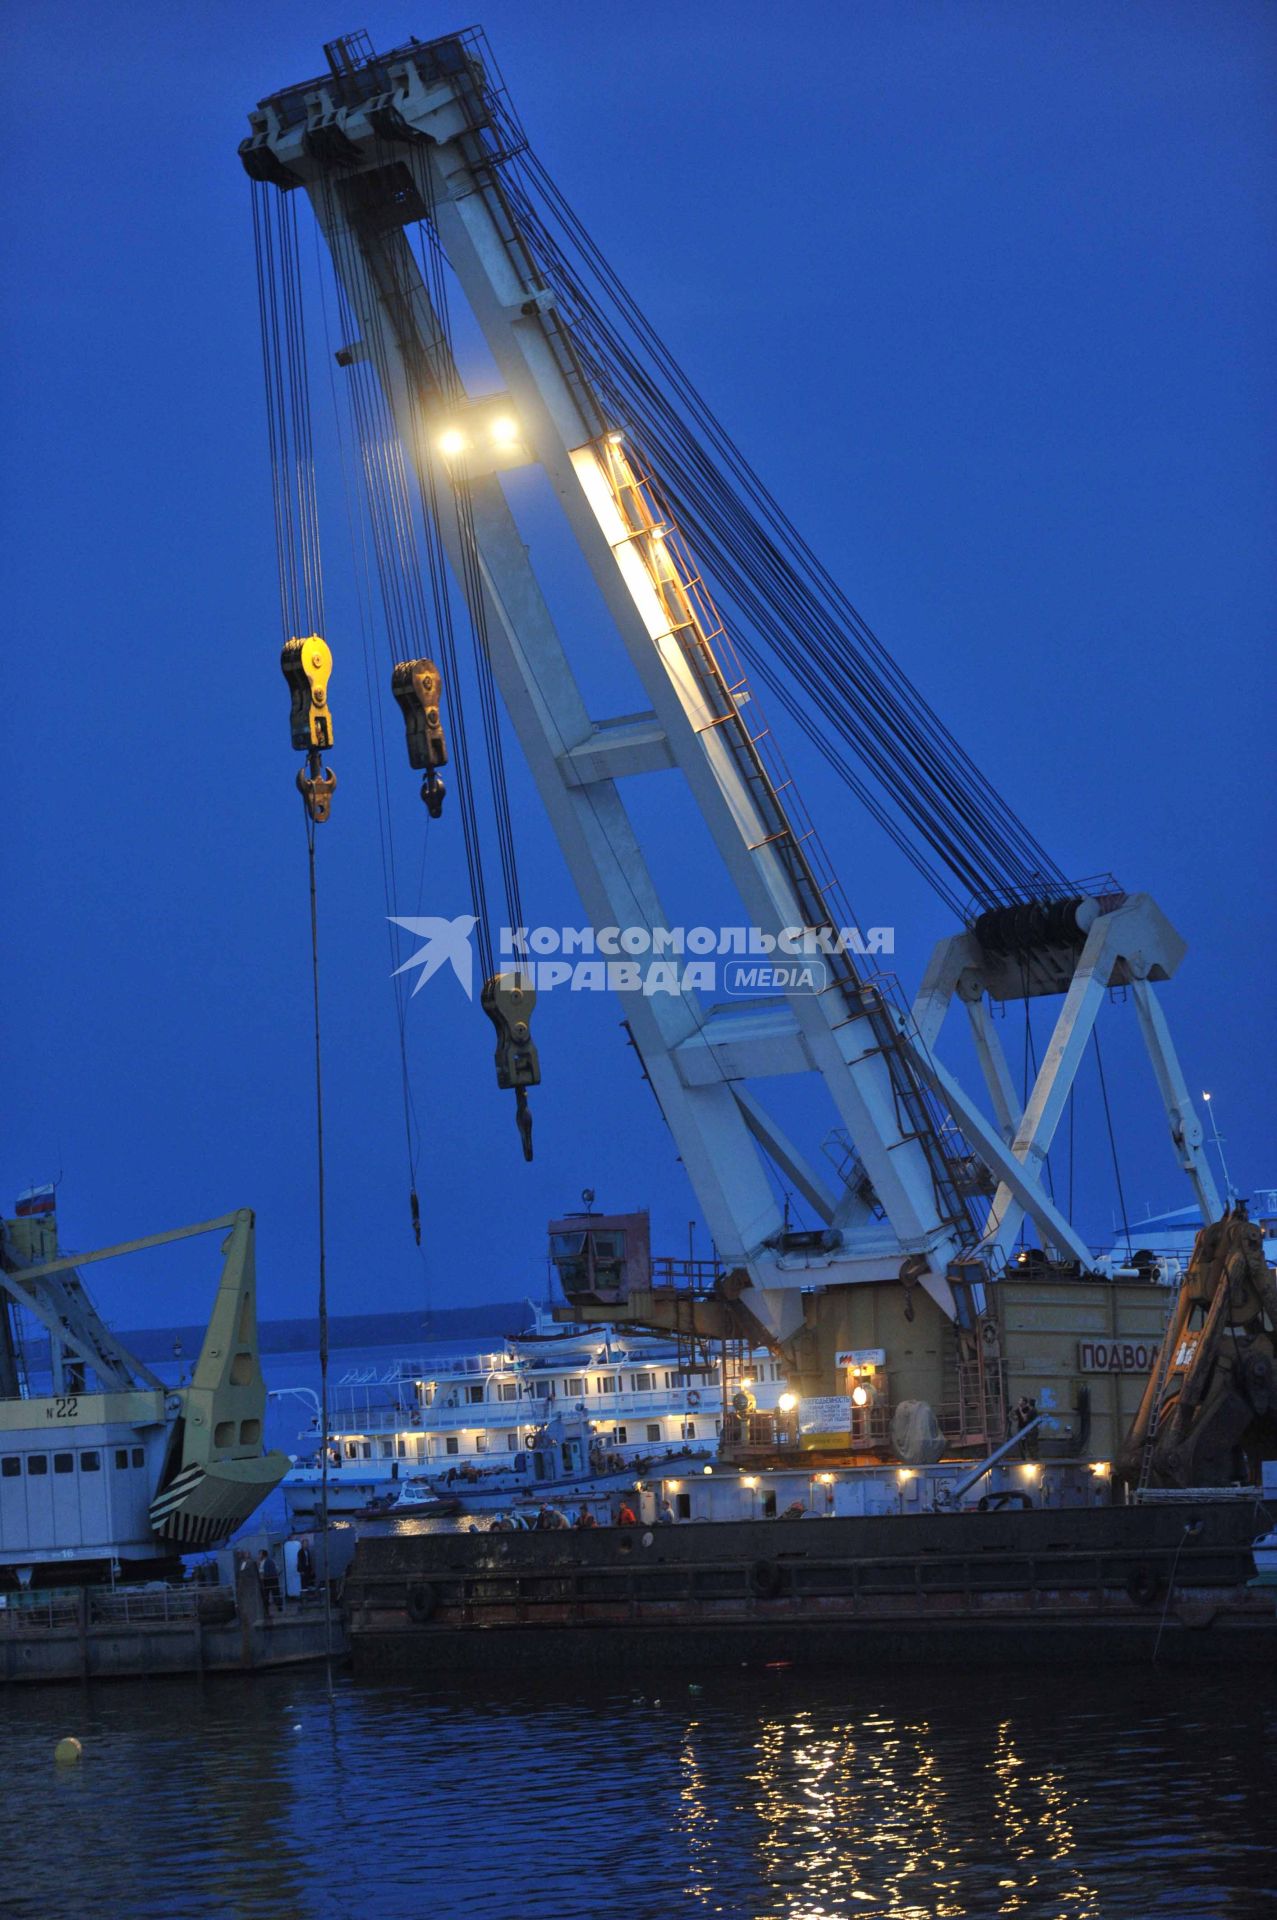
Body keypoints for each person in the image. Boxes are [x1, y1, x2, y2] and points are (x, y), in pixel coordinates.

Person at [1013, 1395, 1039, 1460]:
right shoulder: (1017, 1410)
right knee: (1021, 1444)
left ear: (1024, 1402)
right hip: (1021, 1428)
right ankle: (1025, 1457)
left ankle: (1031, 1457)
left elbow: (1025, 1418)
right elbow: (1015, 1417)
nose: (1019, 1402)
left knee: (1030, 1444)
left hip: (1027, 1429)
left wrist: (1020, 1411)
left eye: (1020, 1400)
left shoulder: (1029, 1410)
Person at [257, 1548, 282, 1615]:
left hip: (267, 1580)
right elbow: (278, 1570)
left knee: (267, 1595)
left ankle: (267, 1609)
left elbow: (262, 1572)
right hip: (273, 1579)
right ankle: (279, 1608)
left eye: (260, 1554)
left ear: (263, 1555)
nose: (259, 1556)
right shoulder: (272, 1561)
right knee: (275, 1594)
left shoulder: (264, 1562)